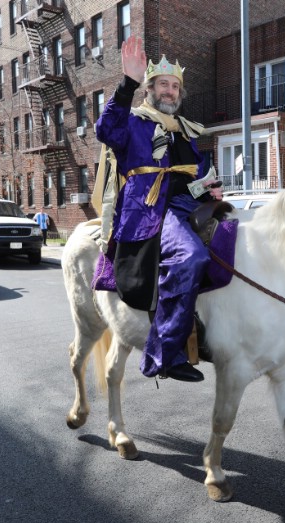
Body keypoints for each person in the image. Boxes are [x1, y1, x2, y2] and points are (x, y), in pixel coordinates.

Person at [96, 35, 222, 383]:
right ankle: (164, 354)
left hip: (189, 205)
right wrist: (127, 83)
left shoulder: (186, 131)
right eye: (163, 84)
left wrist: (210, 185)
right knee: (190, 257)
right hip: (151, 208)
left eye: (174, 86)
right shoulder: (132, 122)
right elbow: (105, 129)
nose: (169, 91)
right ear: (149, 88)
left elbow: (197, 172)